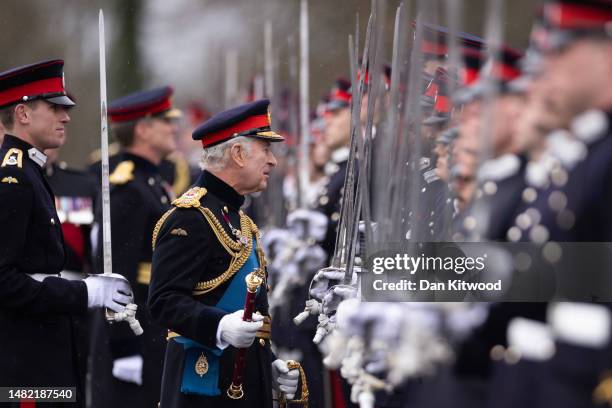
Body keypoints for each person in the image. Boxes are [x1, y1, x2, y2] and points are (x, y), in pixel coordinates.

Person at [148, 98, 300, 407]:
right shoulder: (190, 217)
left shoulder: (238, 219)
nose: (272, 161)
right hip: (205, 388)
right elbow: (163, 302)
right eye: (265, 150)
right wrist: (218, 326)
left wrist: (266, 361)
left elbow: (248, 310)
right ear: (238, 154)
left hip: (241, 381)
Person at [0, 59, 132, 407]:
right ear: (23, 113)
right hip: (25, 361)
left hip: (46, 350)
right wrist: (82, 293)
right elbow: (3, 280)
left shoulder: (30, 171)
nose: (66, 117)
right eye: (55, 107)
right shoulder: (13, 178)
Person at [89, 86, 181, 408]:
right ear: (142, 129)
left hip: (153, 328)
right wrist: (124, 347)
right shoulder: (128, 190)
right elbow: (116, 275)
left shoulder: (151, 184)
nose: (174, 128)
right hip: (135, 337)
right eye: (165, 121)